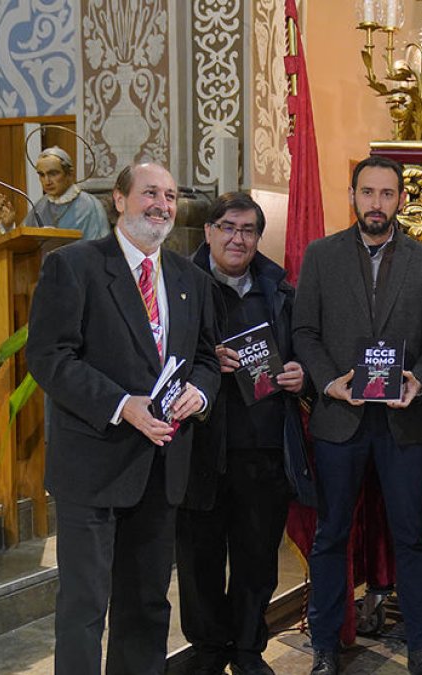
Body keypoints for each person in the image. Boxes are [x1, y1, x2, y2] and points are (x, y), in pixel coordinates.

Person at [26, 161, 221, 674]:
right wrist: (121, 405)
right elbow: (50, 358)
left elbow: (204, 357)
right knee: (85, 607)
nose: (162, 205)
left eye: (171, 196)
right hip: (93, 464)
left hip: (160, 466)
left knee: (147, 605)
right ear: (119, 198)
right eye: (150, 193)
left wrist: (199, 393)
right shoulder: (73, 266)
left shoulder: (189, 278)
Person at [293, 155, 422, 675]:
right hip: (343, 418)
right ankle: (324, 647)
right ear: (353, 195)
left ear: (400, 199)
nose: (376, 203)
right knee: (332, 534)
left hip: (405, 421)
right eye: (367, 192)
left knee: (412, 536)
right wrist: (328, 382)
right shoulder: (321, 255)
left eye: (387, 193)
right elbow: (305, 333)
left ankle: (421, 645)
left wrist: (419, 379)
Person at [177, 192, 315, 675]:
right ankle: (209, 648)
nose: (238, 238)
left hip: (264, 447)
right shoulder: (181, 286)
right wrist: (203, 361)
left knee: (257, 558)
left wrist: (302, 377)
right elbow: (161, 359)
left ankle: (248, 648)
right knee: (200, 559)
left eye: (249, 230)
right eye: (229, 227)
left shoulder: (280, 289)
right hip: (201, 446)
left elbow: (303, 355)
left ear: (258, 237)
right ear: (209, 231)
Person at [0, 145, 110, 239]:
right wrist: (8, 226)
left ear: (69, 174)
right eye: (42, 175)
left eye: (53, 173)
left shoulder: (90, 206)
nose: (47, 181)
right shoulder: (41, 206)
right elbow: (22, 246)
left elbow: (100, 250)